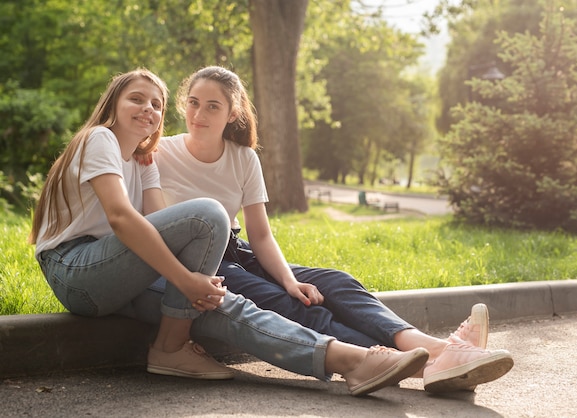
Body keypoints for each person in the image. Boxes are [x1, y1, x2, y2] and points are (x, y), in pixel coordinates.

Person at [29, 68, 433, 397]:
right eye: (136, 98)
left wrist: (196, 286)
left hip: (120, 273)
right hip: (75, 267)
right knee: (208, 216)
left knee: (225, 304)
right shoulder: (99, 138)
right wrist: (185, 279)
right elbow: (121, 217)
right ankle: (172, 343)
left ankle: (352, 361)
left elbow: (159, 224)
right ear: (112, 104)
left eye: (156, 103)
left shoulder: (143, 160)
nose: (148, 109)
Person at [142, 66, 514, 393]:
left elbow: (261, 235)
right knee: (297, 307)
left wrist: (289, 278)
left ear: (232, 112)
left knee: (335, 282)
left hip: (239, 252)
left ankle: (431, 347)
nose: (199, 114)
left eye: (212, 106)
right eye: (193, 102)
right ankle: (430, 361)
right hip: (205, 263)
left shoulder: (244, 158)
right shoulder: (160, 153)